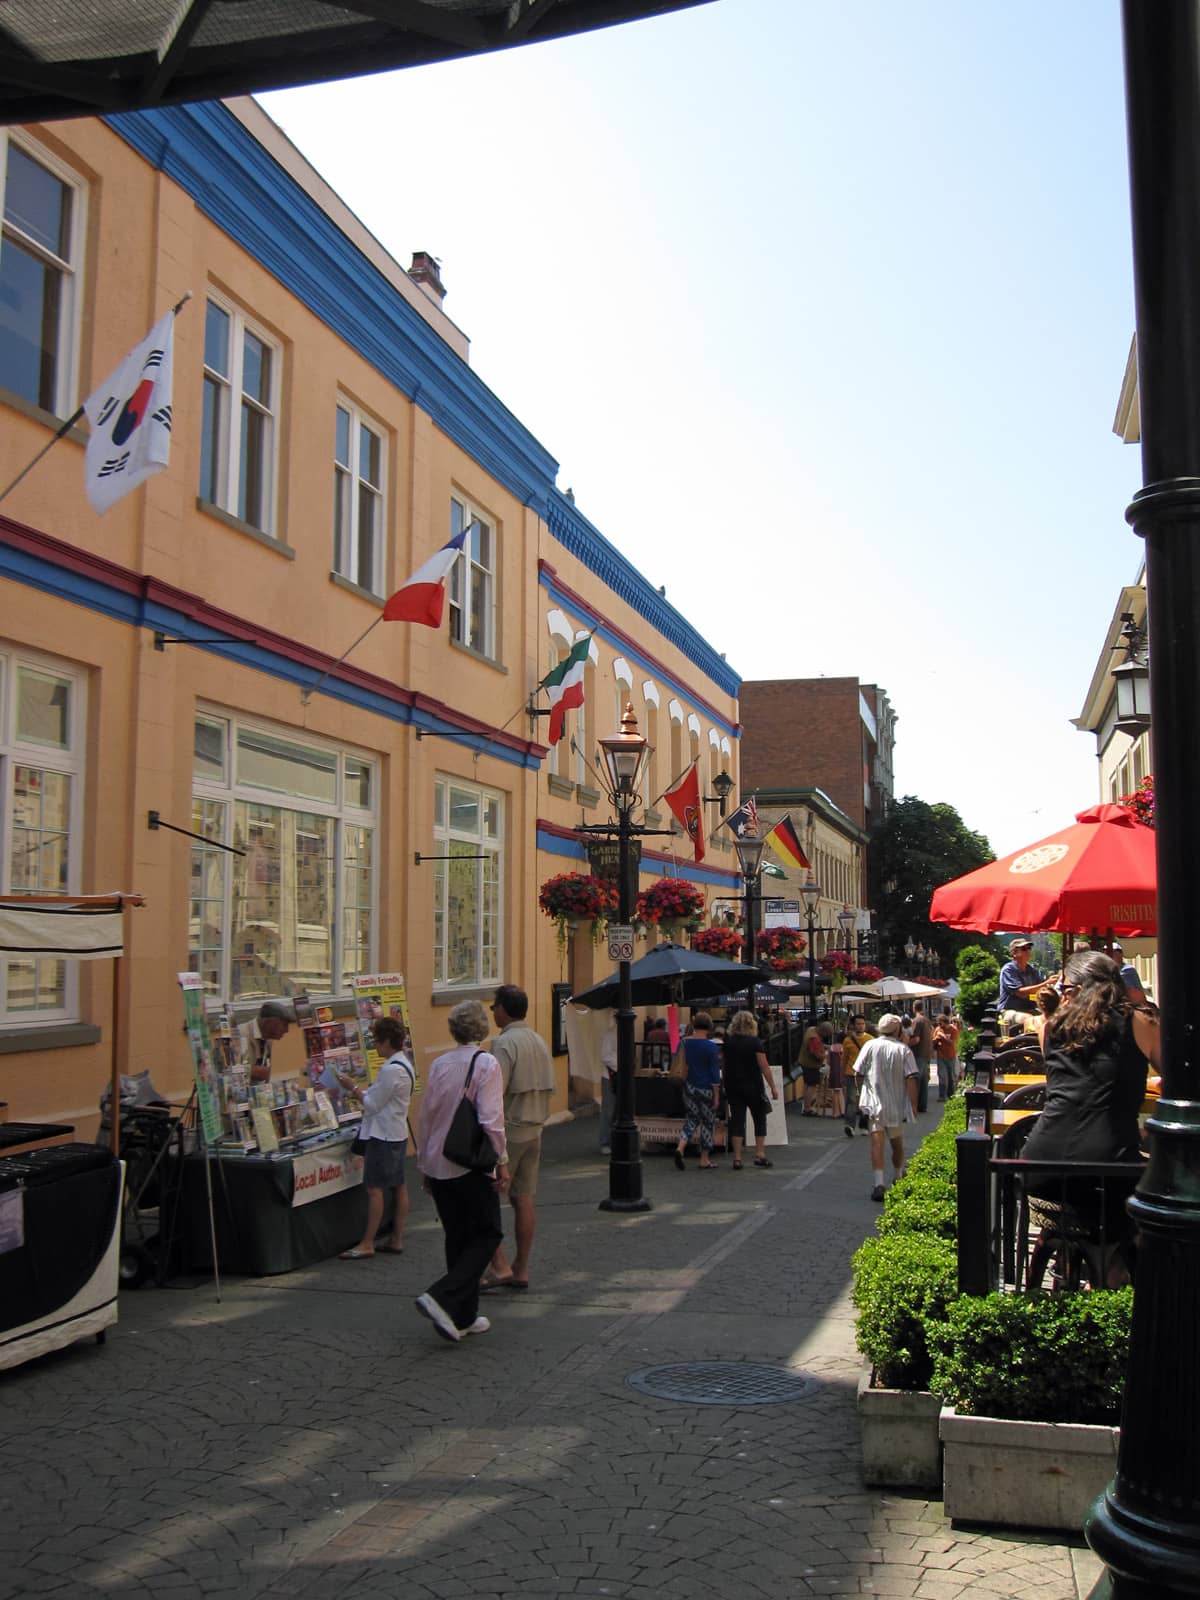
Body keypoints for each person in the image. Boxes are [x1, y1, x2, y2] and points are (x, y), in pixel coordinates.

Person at [1022, 950, 1159, 1275]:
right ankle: (1114, 1276)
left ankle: (1077, 1268)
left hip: (1041, 1165)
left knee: (1087, 1210)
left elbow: (1070, 1092)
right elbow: (1183, 1084)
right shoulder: (1141, 1022)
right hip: (1108, 1167)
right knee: (1151, 1200)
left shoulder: (1050, 1027)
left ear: (1075, 988)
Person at [415, 999, 508, 1342]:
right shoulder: (486, 1064)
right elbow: (491, 1119)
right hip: (469, 1163)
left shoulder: (439, 1064)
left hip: (440, 1160)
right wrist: (500, 1160)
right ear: (482, 1029)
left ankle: (463, 1315)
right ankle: (442, 1295)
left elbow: (426, 1117)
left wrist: (424, 1163)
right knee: (487, 1233)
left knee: (457, 1237)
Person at [482, 984, 555, 1292]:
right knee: (523, 1198)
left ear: (503, 1009)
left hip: (509, 1130)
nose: (492, 1012)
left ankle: (498, 1265)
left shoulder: (504, 1043)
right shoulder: (538, 1039)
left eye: (494, 1007)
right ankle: (521, 1268)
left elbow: (493, 1094)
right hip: (535, 1126)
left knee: (484, 1200)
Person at [337, 1017, 414, 1259]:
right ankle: (397, 1238)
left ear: (388, 1041)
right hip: (397, 1132)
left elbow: (371, 1104)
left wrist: (353, 1088)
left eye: (377, 1042)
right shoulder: (405, 1064)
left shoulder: (391, 1069)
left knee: (374, 1189)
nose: (375, 1047)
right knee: (399, 1185)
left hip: (383, 1135)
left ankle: (367, 1242)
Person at [855, 1013, 919, 1202]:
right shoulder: (903, 1050)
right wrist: (914, 1104)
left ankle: (878, 1183)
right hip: (895, 1104)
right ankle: (898, 1175)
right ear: (897, 1030)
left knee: (877, 1143)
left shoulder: (869, 1045)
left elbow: (858, 1072)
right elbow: (911, 1077)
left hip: (874, 1103)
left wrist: (861, 1092)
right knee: (897, 1143)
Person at [721, 1009, 778, 1169]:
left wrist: (725, 1083)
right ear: (751, 1024)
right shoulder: (755, 1042)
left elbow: (724, 1065)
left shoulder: (729, 1042)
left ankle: (737, 1158)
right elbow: (764, 1066)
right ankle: (760, 1154)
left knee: (737, 1120)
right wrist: (773, 1087)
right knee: (759, 1118)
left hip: (733, 1086)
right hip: (753, 1086)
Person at [674, 1012, 722, 1170]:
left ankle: (680, 1147)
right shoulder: (711, 1047)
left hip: (689, 1086)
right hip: (706, 1088)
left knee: (692, 1119)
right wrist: (716, 1096)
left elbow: (678, 1060)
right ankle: (704, 1159)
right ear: (709, 1027)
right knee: (708, 1122)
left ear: (694, 1026)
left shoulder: (684, 1043)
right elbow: (715, 1074)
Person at [996, 937, 1045, 1032]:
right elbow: (1020, 992)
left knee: (1052, 1019)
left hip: (1031, 1009)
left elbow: (1042, 989)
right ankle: (1032, 1043)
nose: (1028, 951)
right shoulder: (1009, 970)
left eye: (1029, 948)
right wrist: (1046, 983)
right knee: (1028, 1019)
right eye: (1023, 949)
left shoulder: (1032, 970)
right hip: (1009, 1011)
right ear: (1014, 953)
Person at [237, 1000, 291, 1083]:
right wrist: (251, 1071)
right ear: (269, 1022)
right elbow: (228, 1069)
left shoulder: (268, 1039)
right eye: (284, 1025)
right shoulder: (240, 1034)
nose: (287, 1030)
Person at [840, 1013, 870, 1137]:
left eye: (862, 1024)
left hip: (866, 1074)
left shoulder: (870, 1039)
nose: (861, 1026)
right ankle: (850, 1126)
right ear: (853, 1025)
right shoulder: (847, 1041)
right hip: (851, 1073)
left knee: (865, 1100)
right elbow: (844, 1059)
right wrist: (842, 1074)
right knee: (851, 1100)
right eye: (858, 1024)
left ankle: (864, 1125)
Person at [907, 1000, 933, 1113]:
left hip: (918, 1053)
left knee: (916, 1080)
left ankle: (915, 1106)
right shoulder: (927, 1020)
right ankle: (923, 1105)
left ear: (914, 1008)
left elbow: (916, 1039)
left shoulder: (917, 1021)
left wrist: (904, 1044)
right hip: (926, 1053)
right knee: (923, 1081)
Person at [598, 1018, 617, 1154]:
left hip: (618, 1075)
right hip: (610, 1076)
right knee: (608, 1110)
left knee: (618, 1111)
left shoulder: (626, 1033)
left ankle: (614, 1141)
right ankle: (605, 1141)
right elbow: (605, 1056)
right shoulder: (610, 1034)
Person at [798, 1023, 827, 1115]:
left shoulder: (811, 1029)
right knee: (812, 1086)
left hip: (804, 1062)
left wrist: (824, 1046)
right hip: (811, 1065)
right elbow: (817, 1054)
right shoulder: (814, 1039)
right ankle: (807, 1108)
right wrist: (826, 1055)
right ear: (823, 1031)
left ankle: (806, 1106)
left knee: (807, 1085)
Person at [933, 1009, 958, 1102]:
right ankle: (942, 1095)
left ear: (945, 1022)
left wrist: (943, 1036)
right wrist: (936, 1039)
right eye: (938, 1024)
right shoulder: (938, 1029)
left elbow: (953, 1043)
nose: (939, 1025)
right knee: (941, 1075)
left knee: (950, 1076)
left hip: (951, 1055)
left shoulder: (953, 1030)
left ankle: (951, 1094)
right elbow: (933, 1041)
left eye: (940, 1023)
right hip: (941, 1055)